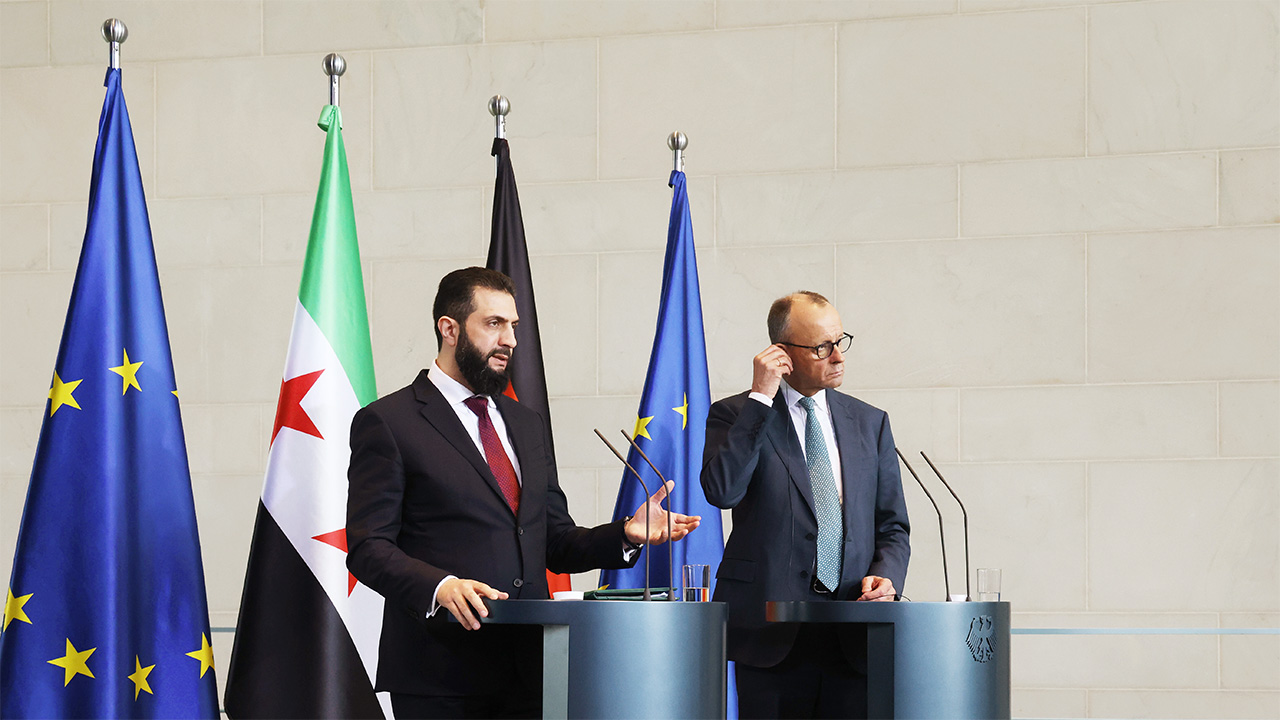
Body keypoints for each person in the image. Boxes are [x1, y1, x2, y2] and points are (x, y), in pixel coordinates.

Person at [347, 267, 699, 719]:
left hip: (533, 671)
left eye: (513, 325)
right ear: (450, 329)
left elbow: (555, 541)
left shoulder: (525, 423)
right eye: (494, 323)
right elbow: (369, 547)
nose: (510, 340)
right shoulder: (389, 422)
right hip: (440, 672)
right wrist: (441, 586)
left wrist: (626, 534)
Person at [701, 291, 910, 719]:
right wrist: (761, 398)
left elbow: (892, 526)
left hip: (853, 632)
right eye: (822, 347)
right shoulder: (736, 414)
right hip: (771, 633)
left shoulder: (870, 422)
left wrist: (886, 577)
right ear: (783, 353)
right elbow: (722, 491)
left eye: (840, 341)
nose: (838, 357)